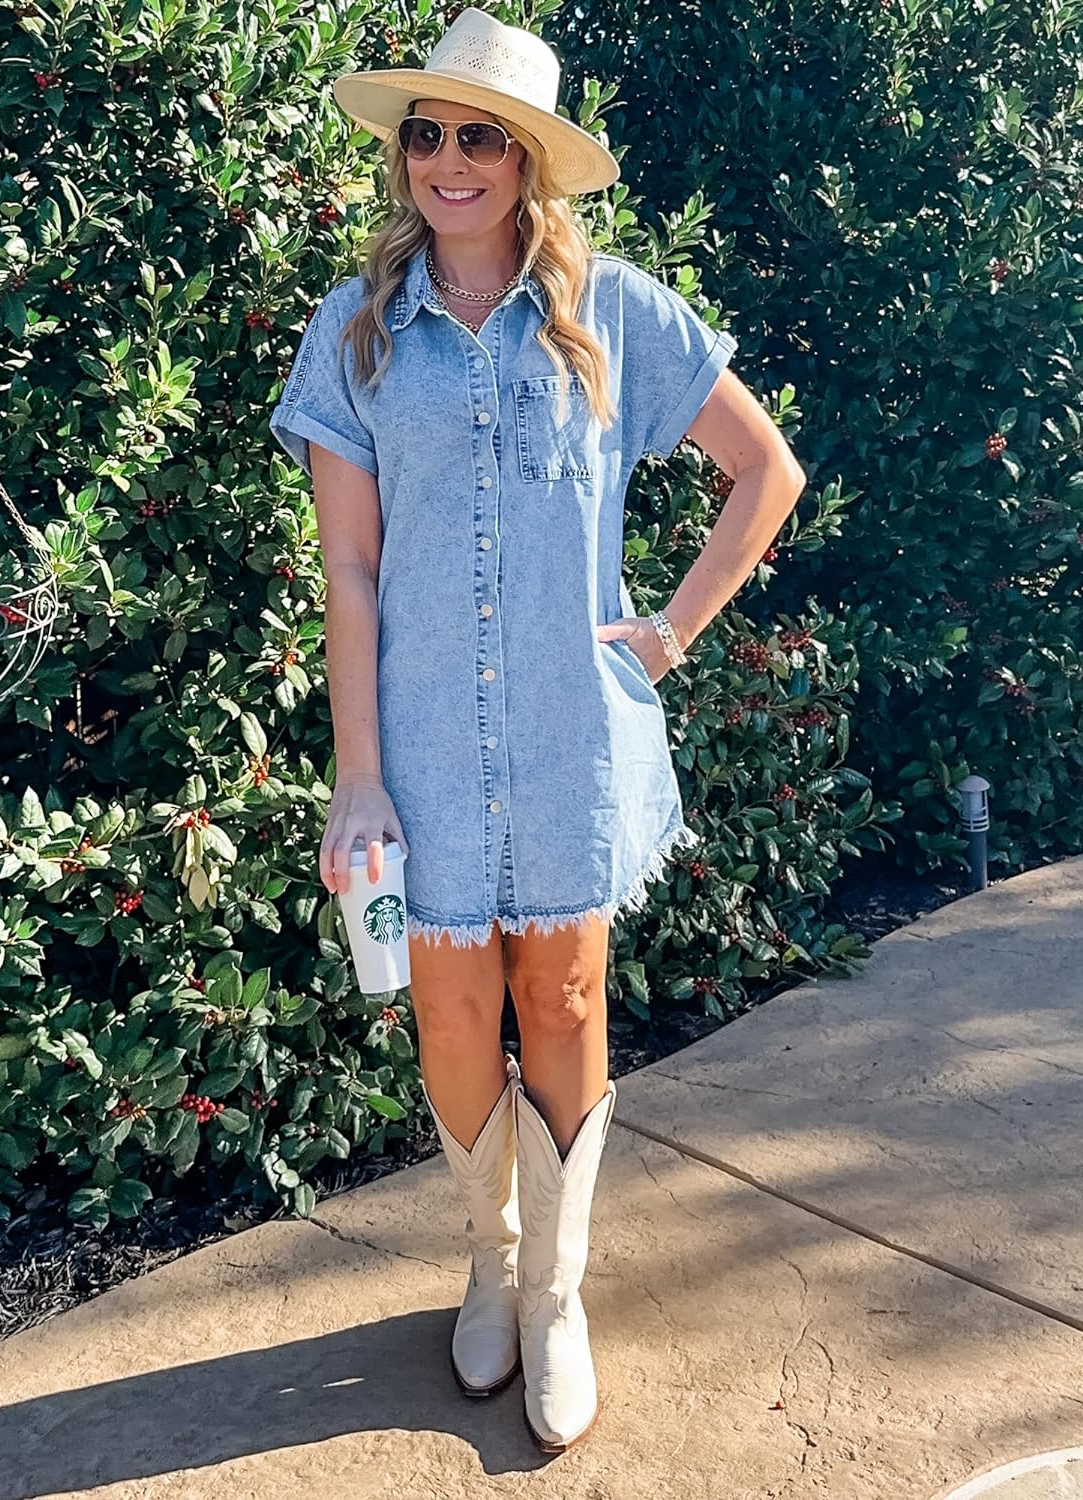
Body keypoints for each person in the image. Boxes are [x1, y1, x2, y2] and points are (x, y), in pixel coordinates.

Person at [269, 6, 806, 1454]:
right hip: (424, 746)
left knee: (562, 1002)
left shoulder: (613, 314)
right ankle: (490, 1263)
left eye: (481, 138)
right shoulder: (357, 332)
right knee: (450, 1011)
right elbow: (351, 570)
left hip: (571, 736)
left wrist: (669, 630)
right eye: (425, 135)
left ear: (528, 162)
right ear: (404, 155)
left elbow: (765, 470)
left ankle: (559, 1295)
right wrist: (358, 779)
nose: (448, 161)